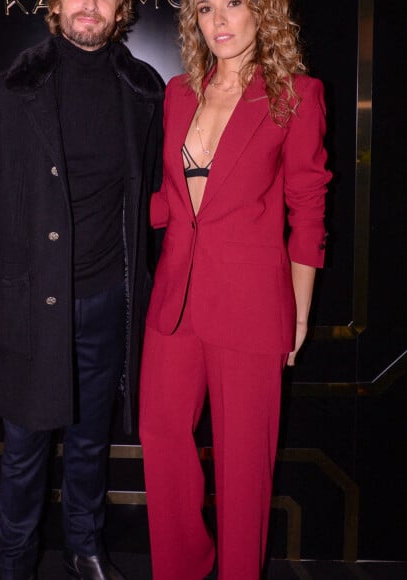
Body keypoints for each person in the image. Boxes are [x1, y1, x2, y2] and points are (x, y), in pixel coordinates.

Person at [0, 0, 163, 576]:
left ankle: (85, 549)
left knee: (91, 444)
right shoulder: (8, 92)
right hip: (25, 307)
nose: (88, 5)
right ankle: (14, 559)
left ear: (122, 9)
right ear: (55, 5)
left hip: (106, 303)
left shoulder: (145, 92)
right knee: (25, 450)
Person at [138, 0, 331, 578]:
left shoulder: (295, 93)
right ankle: (183, 569)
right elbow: (169, 203)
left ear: (264, 13)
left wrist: (297, 312)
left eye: (234, 4)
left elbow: (308, 206)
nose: (219, 20)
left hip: (251, 305)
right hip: (175, 299)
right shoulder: (178, 94)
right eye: (205, 8)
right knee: (161, 435)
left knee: (245, 465)